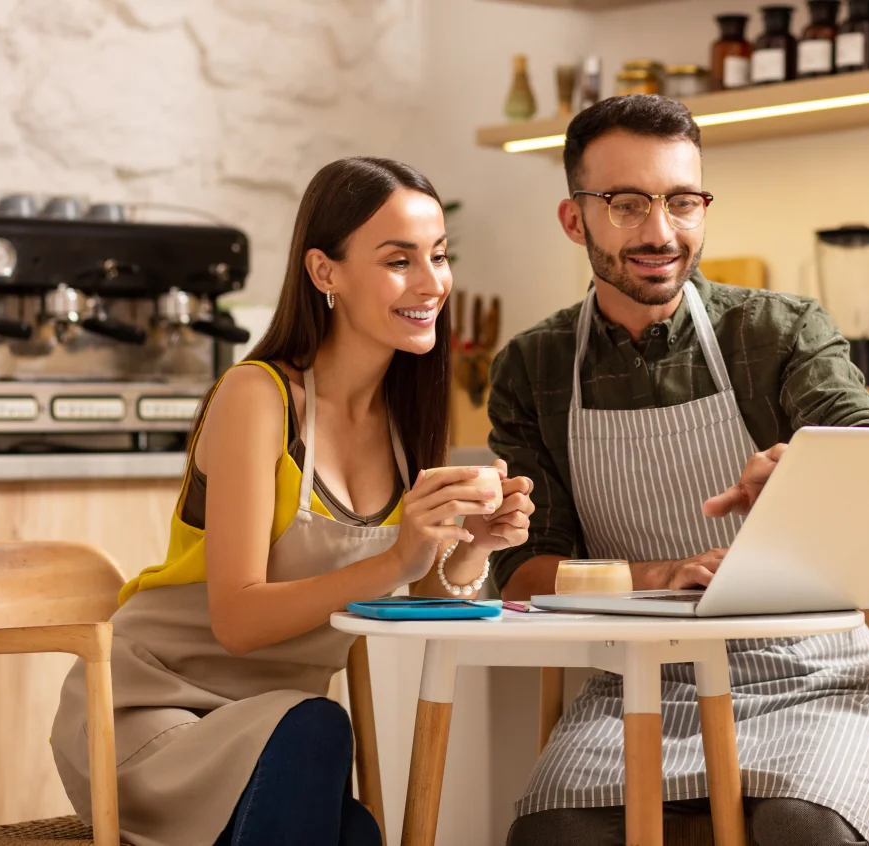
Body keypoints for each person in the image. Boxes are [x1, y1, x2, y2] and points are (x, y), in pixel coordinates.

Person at [51, 156, 535, 846]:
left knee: (354, 832)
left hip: (279, 737)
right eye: (400, 260)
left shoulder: (406, 421)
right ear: (323, 272)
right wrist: (399, 554)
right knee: (318, 729)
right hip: (153, 712)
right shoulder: (258, 397)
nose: (432, 284)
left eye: (438, 256)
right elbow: (238, 621)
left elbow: (412, 588)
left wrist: (474, 545)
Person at [487, 96, 869, 846]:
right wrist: (661, 574)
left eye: (682, 201)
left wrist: (817, 472)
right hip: (640, 688)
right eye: (626, 204)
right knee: (554, 835)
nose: (660, 232)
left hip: (814, 681)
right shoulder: (533, 365)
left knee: (799, 828)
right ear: (573, 219)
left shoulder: (776, 330)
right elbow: (519, 573)